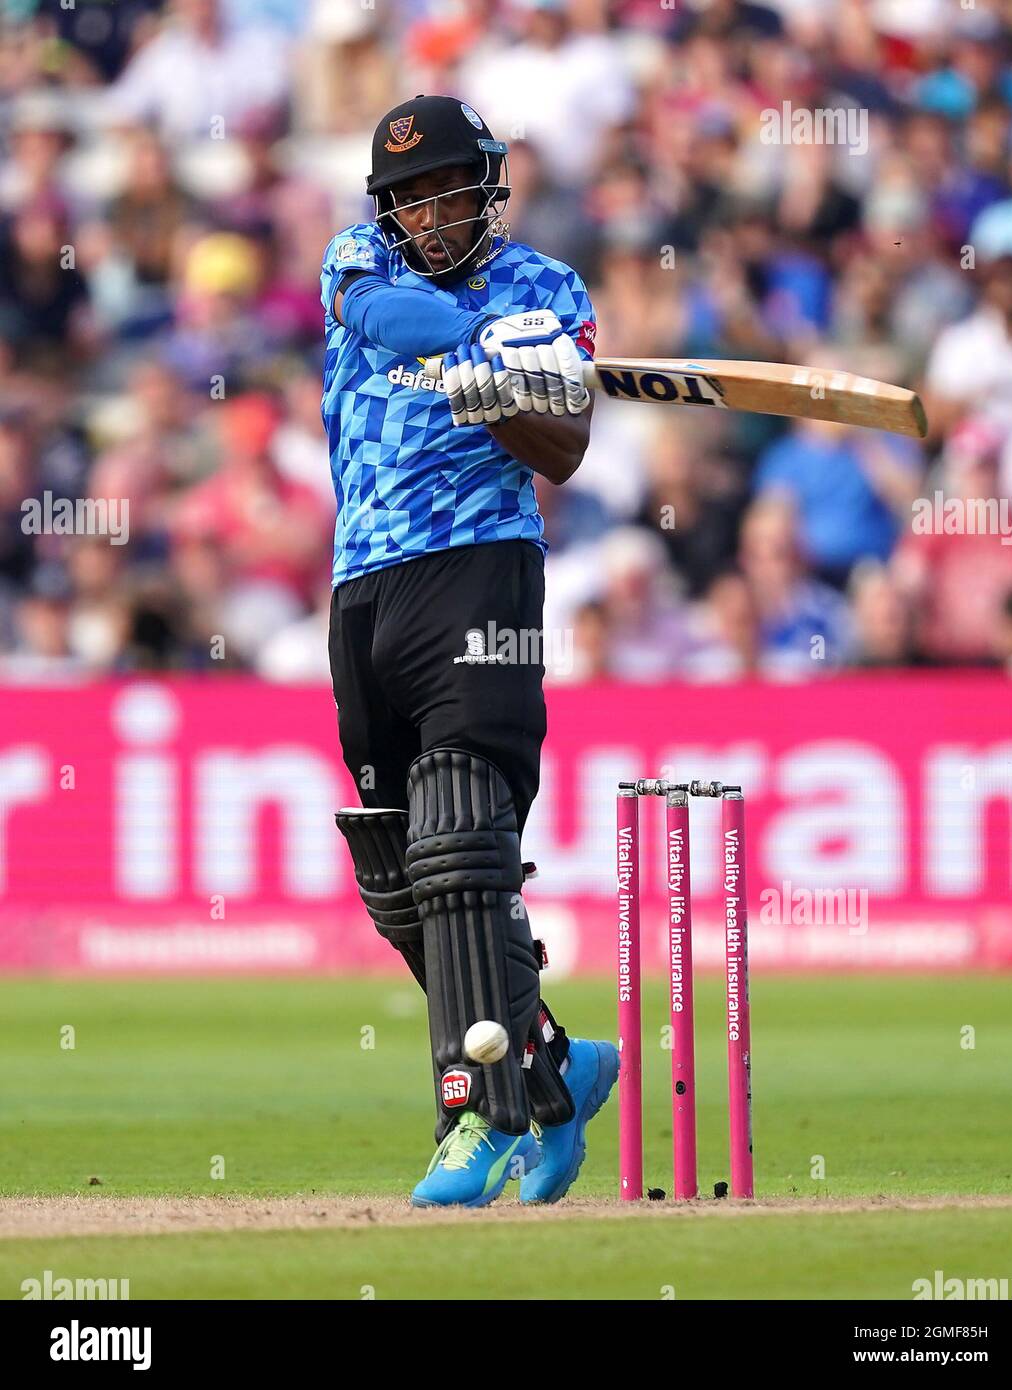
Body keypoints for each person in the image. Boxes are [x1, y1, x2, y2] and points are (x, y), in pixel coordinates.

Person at [321, 95, 618, 1209]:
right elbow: (379, 316)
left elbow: (568, 449)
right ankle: (547, 1062)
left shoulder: (549, 290)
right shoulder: (358, 259)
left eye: (448, 190)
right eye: (408, 198)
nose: (429, 215)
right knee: (397, 869)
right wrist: (473, 343)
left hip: (480, 569)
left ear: (487, 187)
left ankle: (477, 1116)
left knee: (459, 832)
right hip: (361, 586)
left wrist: (512, 400)